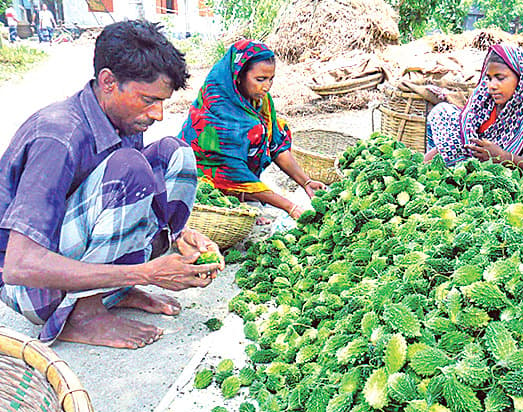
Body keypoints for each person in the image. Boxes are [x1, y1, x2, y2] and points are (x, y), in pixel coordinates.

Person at [0, 20, 224, 350]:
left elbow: (134, 203)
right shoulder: (58, 136)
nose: (158, 114)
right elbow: (19, 267)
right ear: (108, 82)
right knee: (129, 170)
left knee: (176, 155)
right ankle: (84, 315)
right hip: (32, 288)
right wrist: (147, 273)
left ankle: (111, 292)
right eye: (149, 99)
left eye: (162, 101)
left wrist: (181, 235)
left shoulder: (123, 119)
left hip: (70, 258)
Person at [179, 40, 326, 222]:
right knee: (246, 139)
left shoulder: (260, 100)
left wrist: (306, 182)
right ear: (238, 76)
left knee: (266, 129)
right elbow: (233, 169)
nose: (267, 86)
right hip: (204, 176)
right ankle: (234, 204)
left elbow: (276, 145)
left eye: (271, 79)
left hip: (235, 174)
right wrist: (290, 207)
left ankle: (242, 199)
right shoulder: (219, 107)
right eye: (260, 79)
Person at [424, 44, 523, 174]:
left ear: (521, 78)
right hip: (467, 175)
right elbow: (460, 139)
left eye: (500, 78)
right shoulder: (483, 101)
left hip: (513, 181)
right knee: (442, 112)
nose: (491, 86)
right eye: (489, 78)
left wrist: (505, 158)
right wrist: (421, 167)